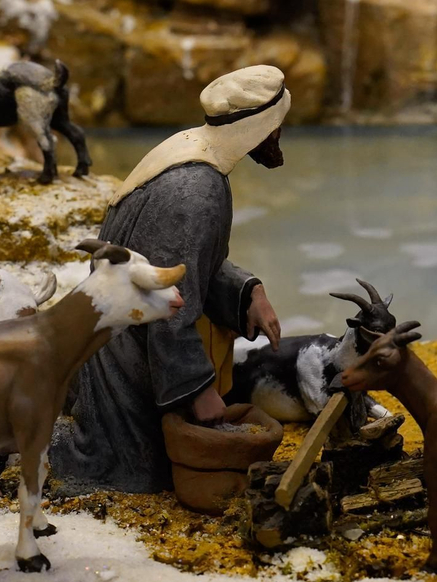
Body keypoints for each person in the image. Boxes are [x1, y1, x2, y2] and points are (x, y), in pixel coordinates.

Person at [50, 65, 287, 494]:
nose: (278, 139)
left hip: (132, 329)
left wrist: (248, 291)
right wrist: (198, 390)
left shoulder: (190, 150)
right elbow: (167, 300)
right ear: (261, 128)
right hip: (123, 349)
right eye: (276, 130)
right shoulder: (198, 190)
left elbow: (185, 264)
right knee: (142, 473)